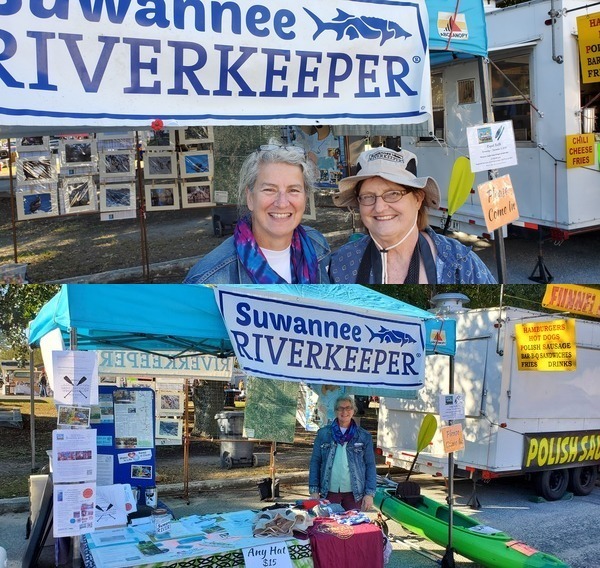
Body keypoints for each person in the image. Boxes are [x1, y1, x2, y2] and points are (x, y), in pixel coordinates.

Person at [330, 147, 496, 284]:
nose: (379, 208)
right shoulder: (341, 263)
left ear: (418, 199)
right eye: (367, 196)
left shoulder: (461, 264)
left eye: (393, 194)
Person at [184, 144, 330, 283]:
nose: (282, 203)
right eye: (269, 190)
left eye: (293, 190)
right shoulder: (209, 277)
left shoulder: (316, 244)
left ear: (305, 198)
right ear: (250, 198)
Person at [308, 395, 377, 512]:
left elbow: (370, 465)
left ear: (353, 410)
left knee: (353, 527)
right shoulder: (323, 434)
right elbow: (315, 462)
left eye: (348, 408)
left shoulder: (364, 436)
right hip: (329, 492)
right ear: (335, 411)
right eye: (340, 408)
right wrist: (314, 491)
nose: (344, 411)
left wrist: (369, 494)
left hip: (355, 494)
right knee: (328, 527)